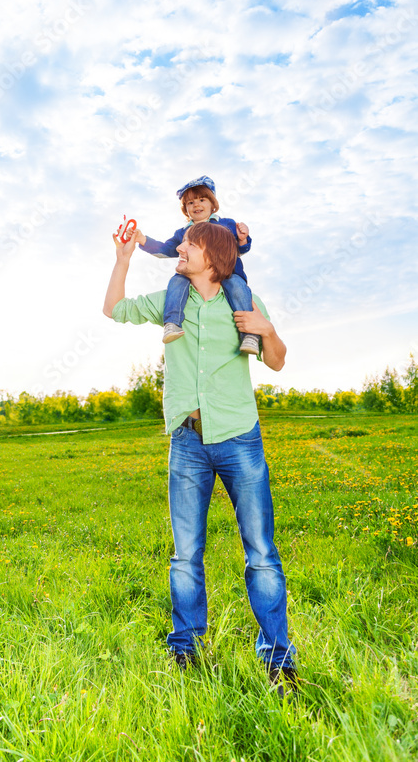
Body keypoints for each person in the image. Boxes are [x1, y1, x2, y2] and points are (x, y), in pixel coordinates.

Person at [103, 220, 298, 696]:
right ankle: (185, 651)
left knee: (262, 556)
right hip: (186, 443)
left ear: (211, 256)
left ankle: (278, 660)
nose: (180, 248)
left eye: (188, 244)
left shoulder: (244, 301)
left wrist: (266, 329)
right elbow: (113, 309)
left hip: (239, 438)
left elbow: (277, 360)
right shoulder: (173, 300)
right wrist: (124, 257)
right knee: (186, 556)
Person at [134, 175, 260, 354]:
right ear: (185, 209)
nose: (196, 205)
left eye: (202, 199)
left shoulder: (226, 225)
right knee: (176, 282)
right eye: (190, 203)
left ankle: (250, 335)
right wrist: (142, 239)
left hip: (227, 271)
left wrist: (242, 239)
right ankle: (172, 323)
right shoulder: (184, 232)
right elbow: (166, 248)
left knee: (238, 287)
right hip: (194, 276)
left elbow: (241, 248)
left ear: (212, 204)